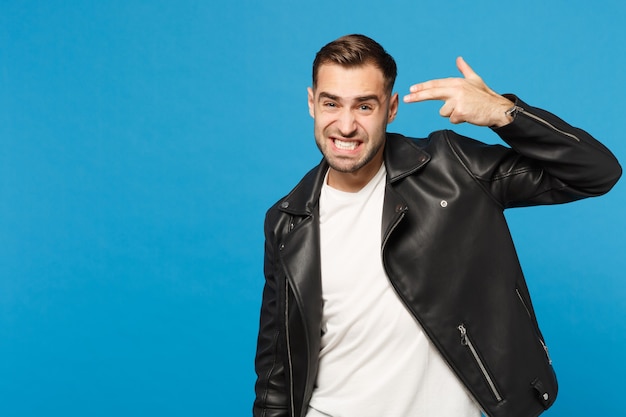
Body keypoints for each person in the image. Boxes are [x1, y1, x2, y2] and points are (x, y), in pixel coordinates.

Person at [253, 34, 621, 417]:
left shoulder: (451, 167)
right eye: (331, 103)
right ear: (312, 103)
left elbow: (596, 173)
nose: (345, 125)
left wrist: (504, 113)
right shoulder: (286, 222)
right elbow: (277, 370)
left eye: (365, 106)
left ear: (391, 108)